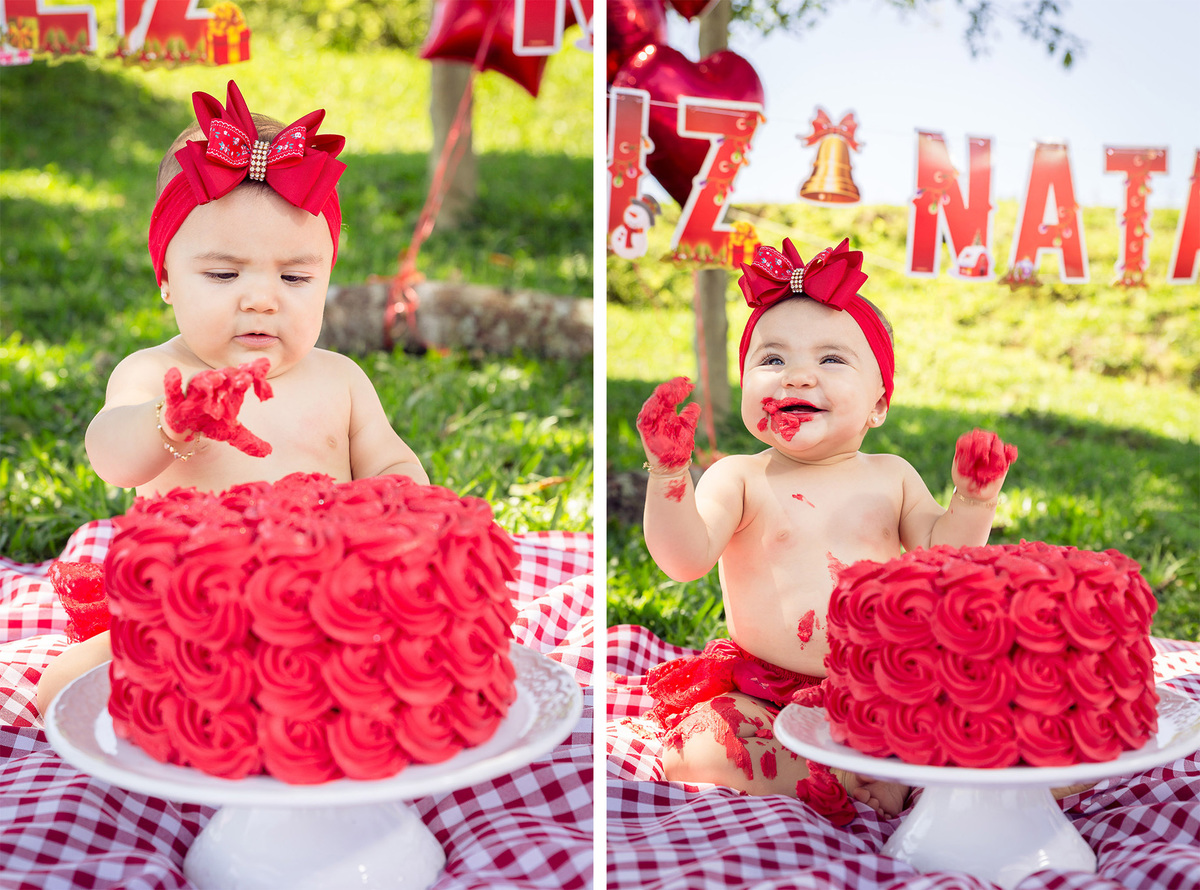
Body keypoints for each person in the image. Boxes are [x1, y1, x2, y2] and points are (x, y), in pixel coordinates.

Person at [37, 81, 427, 712]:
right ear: (166, 279)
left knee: (420, 668)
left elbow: (390, 463)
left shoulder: (340, 378)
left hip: (321, 604)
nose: (261, 298)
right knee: (66, 688)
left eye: (296, 276)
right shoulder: (157, 373)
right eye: (223, 274)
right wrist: (168, 423)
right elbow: (111, 455)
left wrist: (396, 501)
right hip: (188, 610)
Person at [635, 237, 1017, 824]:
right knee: (699, 751)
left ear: (879, 405)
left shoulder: (891, 477)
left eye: (832, 360)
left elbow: (947, 553)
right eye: (772, 359)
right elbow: (683, 558)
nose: (797, 377)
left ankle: (890, 767)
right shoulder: (738, 478)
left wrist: (973, 498)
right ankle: (838, 777)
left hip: (885, 692)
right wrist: (668, 474)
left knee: (993, 722)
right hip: (767, 693)